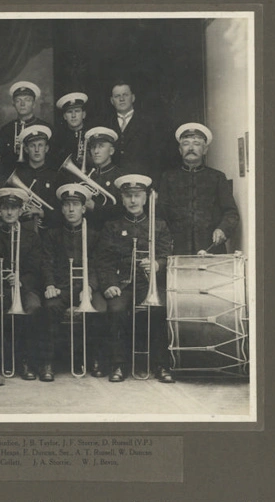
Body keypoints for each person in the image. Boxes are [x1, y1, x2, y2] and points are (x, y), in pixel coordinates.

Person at [94, 174, 174, 383]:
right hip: (122, 284)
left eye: (137, 195)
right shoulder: (112, 226)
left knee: (159, 310)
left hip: (149, 284)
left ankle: (162, 365)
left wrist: (157, 264)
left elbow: (167, 256)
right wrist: (109, 284)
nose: (133, 200)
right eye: (128, 196)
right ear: (122, 198)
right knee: (116, 310)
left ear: (146, 198)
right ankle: (118, 365)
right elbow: (103, 260)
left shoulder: (159, 225)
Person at [41, 184, 108, 378]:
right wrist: (49, 284)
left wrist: (89, 286)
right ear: (62, 208)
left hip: (86, 287)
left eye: (76, 205)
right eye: (67, 205)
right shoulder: (52, 235)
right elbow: (46, 262)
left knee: (100, 309)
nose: (71, 209)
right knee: (50, 308)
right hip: (61, 287)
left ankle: (95, 359)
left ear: (84, 208)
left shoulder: (94, 235)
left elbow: (98, 264)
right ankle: (48, 363)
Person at [0, 188, 44, 380]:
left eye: (13, 208)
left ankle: (27, 362)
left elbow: (36, 269)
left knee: (33, 307)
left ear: (21, 210)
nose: (9, 212)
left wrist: (21, 280)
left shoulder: (32, 237)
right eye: (5, 208)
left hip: (25, 289)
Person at [158, 123, 240, 255]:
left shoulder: (217, 177)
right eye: (186, 144)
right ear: (180, 150)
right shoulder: (168, 178)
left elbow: (231, 213)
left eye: (196, 143)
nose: (191, 148)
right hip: (177, 249)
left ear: (205, 149)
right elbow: (160, 214)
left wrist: (223, 229)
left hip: (211, 248)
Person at [104, 81, 166, 181]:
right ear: (112, 101)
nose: (121, 99)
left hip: (141, 182)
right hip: (113, 183)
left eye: (125, 95)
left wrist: (154, 185)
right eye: (117, 96)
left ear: (133, 98)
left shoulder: (149, 124)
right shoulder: (106, 125)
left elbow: (156, 159)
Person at [12, 125, 60, 232]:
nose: (37, 150)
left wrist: (42, 213)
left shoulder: (55, 176)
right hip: (24, 231)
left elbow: (61, 209)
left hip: (50, 232)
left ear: (46, 148)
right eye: (32, 146)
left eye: (40, 145)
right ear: (26, 149)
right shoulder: (19, 175)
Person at [0, 81, 52, 171]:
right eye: (18, 101)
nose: (22, 104)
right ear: (13, 104)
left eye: (27, 100)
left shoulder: (47, 128)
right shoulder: (6, 130)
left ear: (34, 104)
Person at [81, 126, 125, 232]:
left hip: (113, 232)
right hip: (90, 231)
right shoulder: (89, 176)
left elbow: (122, 209)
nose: (96, 151)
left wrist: (95, 208)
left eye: (101, 146)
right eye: (93, 147)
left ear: (111, 151)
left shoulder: (120, 177)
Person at [53, 92, 90, 170]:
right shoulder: (58, 138)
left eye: (77, 111)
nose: (73, 116)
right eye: (69, 112)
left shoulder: (90, 134)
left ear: (84, 114)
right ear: (65, 116)